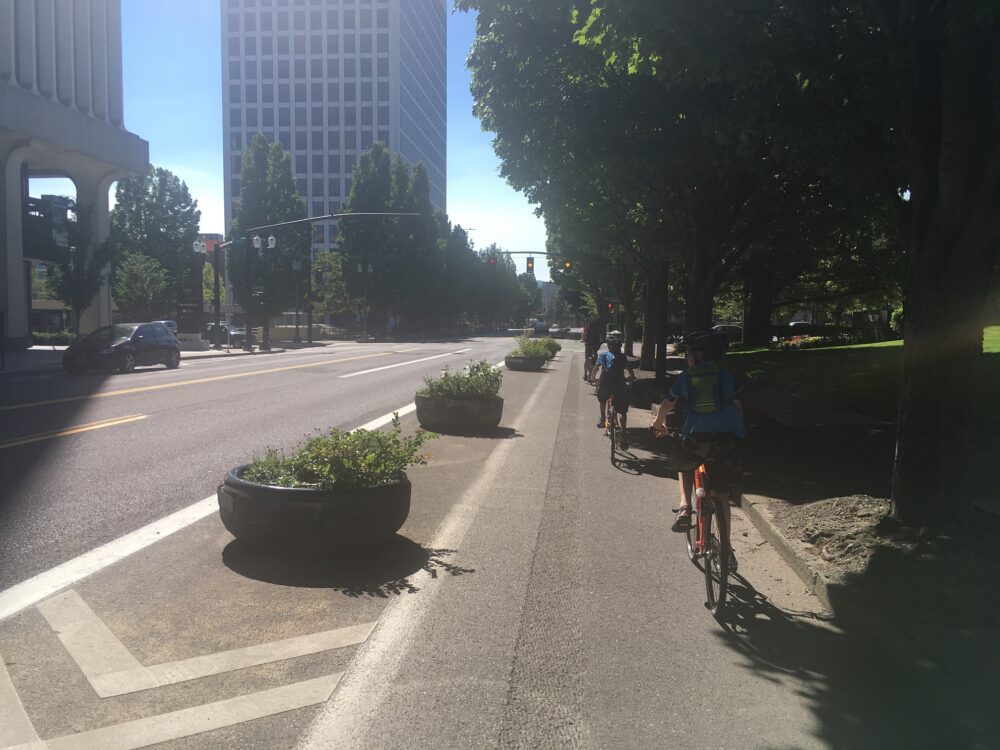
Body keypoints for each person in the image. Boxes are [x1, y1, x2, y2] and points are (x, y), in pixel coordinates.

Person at [651, 330, 745, 564]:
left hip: (697, 436)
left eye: (689, 353)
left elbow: (667, 403)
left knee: (683, 462)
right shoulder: (727, 376)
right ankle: (726, 550)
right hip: (729, 439)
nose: (687, 358)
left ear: (699, 354)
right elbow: (738, 408)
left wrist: (657, 422)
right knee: (721, 494)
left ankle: (684, 508)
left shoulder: (687, 377)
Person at [589, 330, 637, 448]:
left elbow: (596, 368)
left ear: (608, 344)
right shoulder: (622, 357)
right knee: (623, 411)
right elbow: (629, 371)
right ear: (620, 345)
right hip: (619, 384)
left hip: (605, 383)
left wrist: (593, 378)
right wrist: (631, 378)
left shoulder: (603, 355)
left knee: (602, 398)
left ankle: (602, 418)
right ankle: (623, 432)